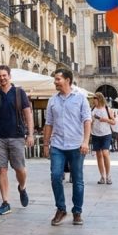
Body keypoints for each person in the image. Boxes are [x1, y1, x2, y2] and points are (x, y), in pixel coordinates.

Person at [0, 65, 35, 216]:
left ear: (9, 76)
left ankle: (22, 187)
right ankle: (5, 202)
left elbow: (28, 114)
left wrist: (30, 134)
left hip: (17, 136)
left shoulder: (19, 93)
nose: (2, 78)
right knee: (1, 169)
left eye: (4, 75)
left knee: (20, 169)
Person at [45, 68, 92, 226]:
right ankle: (61, 209)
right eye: (55, 79)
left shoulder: (80, 98)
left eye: (58, 79)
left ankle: (77, 212)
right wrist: (46, 144)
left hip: (77, 145)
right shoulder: (52, 100)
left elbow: (87, 120)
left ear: (67, 80)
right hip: (57, 145)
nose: (55, 82)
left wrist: (85, 141)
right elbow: (48, 123)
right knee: (55, 176)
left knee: (77, 180)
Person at [90, 93, 114, 185]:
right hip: (95, 134)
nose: (93, 100)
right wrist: (91, 122)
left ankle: (108, 176)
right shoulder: (92, 110)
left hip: (106, 134)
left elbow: (113, 122)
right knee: (98, 155)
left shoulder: (107, 109)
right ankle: (102, 176)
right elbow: (89, 122)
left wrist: (106, 120)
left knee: (105, 153)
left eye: (94, 98)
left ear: (99, 99)